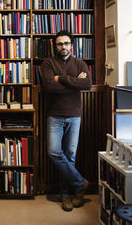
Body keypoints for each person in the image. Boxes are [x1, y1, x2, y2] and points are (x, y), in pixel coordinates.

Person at [40, 30, 92, 212]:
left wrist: (61, 79)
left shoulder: (80, 63)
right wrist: (73, 83)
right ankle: (79, 183)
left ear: (72, 45)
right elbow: (48, 87)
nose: (63, 47)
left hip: (75, 115)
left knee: (70, 156)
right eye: (60, 44)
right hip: (55, 115)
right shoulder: (48, 63)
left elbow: (87, 85)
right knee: (54, 152)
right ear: (56, 46)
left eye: (66, 43)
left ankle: (67, 195)